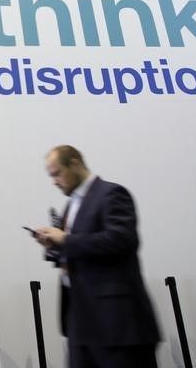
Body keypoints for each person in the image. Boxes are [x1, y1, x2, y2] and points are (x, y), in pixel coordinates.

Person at [34, 146, 160, 368]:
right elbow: (79, 250)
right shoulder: (71, 205)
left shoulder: (111, 194)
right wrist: (54, 245)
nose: (54, 181)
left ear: (74, 163)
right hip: (81, 321)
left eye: (56, 173)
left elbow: (121, 241)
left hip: (116, 323)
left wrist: (65, 240)